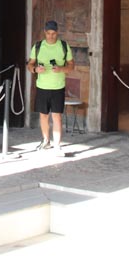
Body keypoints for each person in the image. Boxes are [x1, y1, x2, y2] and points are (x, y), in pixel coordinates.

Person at [27, 20, 74, 157]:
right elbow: (29, 65)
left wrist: (61, 69)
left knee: (57, 116)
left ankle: (57, 145)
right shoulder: (38, 46)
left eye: (53, 33)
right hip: (42, 86)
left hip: (58, 86)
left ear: (57, 32)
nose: (51, 36)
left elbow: (71, 66)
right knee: (43, 115)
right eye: (48, 33)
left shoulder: (64, 46)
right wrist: (36, 69)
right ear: (44, 32)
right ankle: (46, 140)